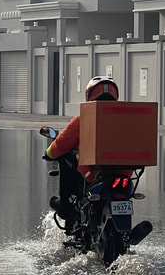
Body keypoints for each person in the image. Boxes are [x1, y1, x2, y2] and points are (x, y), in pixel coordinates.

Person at [43, 76, 119, 228]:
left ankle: (66, 207)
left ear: (90, 95)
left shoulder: (83, 119)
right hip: (124, 173)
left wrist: (49, 154)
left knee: (65, 158)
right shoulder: (126, 118)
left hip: (92, 174)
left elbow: (61, 144)